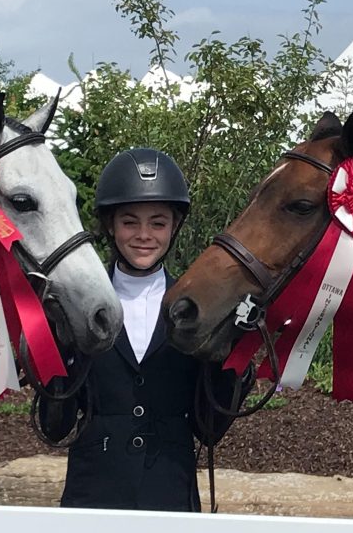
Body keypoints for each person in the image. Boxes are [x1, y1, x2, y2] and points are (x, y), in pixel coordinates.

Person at [36, 147, 249, 511]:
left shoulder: (196, 309)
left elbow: (209, 428)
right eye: (130, 222)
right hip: (94, 493)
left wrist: (232, 353)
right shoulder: (75, 306)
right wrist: (54, 341)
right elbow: (55, 426)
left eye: (158, 223)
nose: (144, 235)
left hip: (170, 491)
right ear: (110, 225)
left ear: (174, 226)